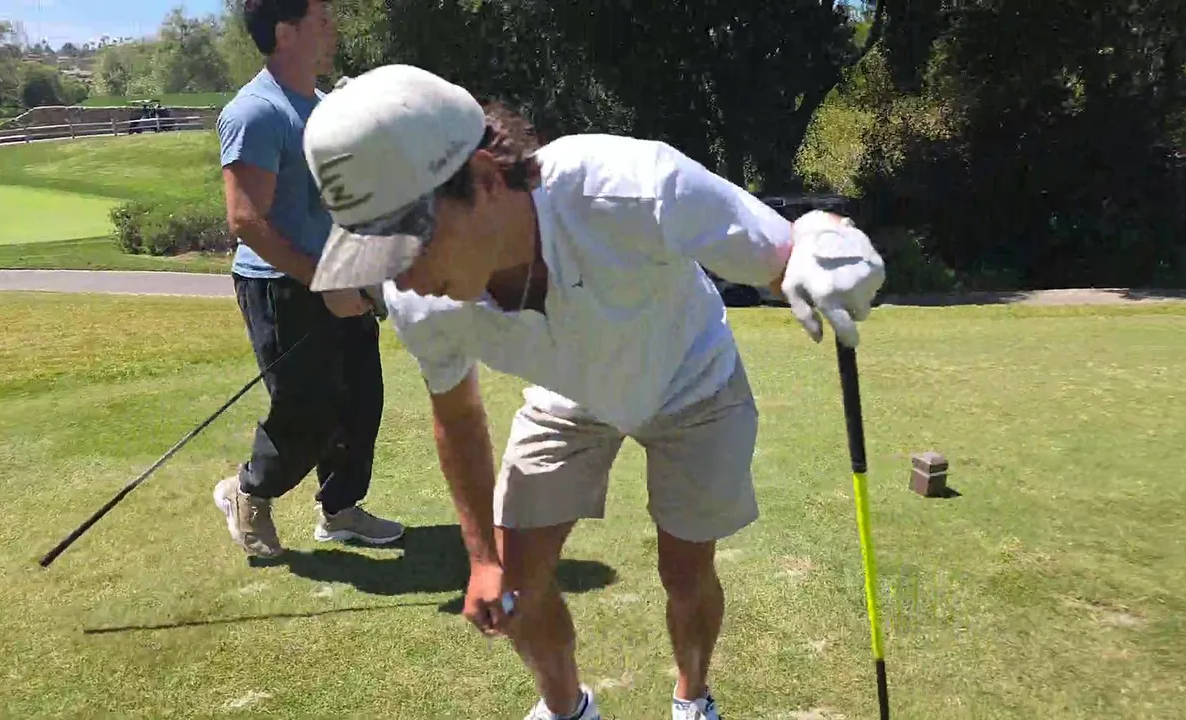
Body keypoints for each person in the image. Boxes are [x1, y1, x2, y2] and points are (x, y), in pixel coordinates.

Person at [301, 65, 886, 720]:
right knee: (515, 586)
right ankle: (568, 710)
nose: (400, 279)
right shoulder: (420, 302)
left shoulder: (630, 185)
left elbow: (785, 253)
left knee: (686, 574)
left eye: (407, 246)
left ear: (485, 180)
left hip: (692, 376)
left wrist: (827, 241)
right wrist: (482, 558)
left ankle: (692, 698)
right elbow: (457, 416)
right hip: (569, 395)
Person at [210, 0, 404, 558]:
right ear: (285, 32)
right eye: (320, 18)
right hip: (282, 286)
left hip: (341, 276)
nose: (332, 27)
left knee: (360, 403)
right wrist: (325, 283)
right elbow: (246, 219)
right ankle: (247, 492)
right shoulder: (256, 112)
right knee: (308, 411)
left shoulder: (323, 107)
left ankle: (340, 510)